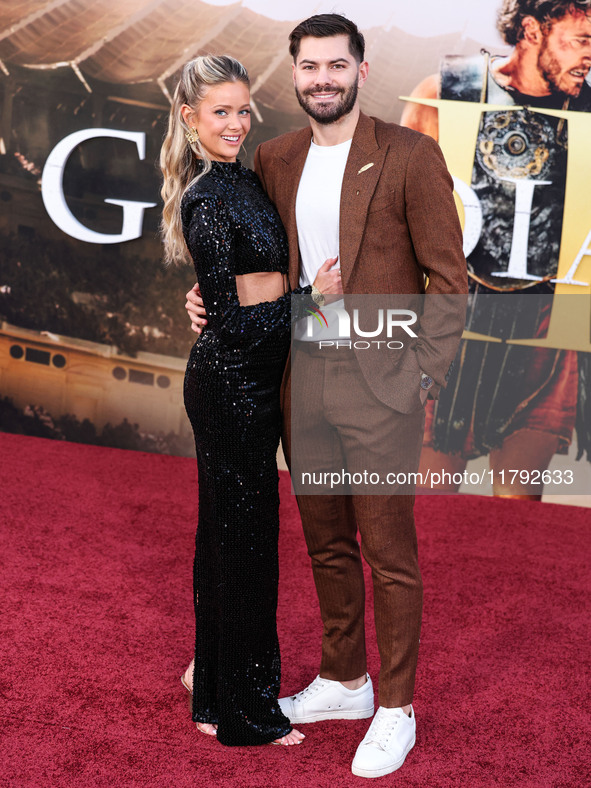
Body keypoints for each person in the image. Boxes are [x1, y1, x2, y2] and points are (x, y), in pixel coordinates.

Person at [186, 15, 468, 777]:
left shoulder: (409, 154)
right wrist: (206, 296)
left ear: (359, 71)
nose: (321, 79)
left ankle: (396, 708)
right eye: (308, 66)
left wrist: (422, 378)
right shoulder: (272, 159)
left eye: (334, 66)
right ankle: (345, 680)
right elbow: (253, 264)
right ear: (294, 73)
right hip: (299, 383)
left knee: (389, 555)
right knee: (326, 544)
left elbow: (450, 282)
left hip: (382, 390)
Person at [160, 54, 342, 747]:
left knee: (228, 542)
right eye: (219, 112)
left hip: (256, 377)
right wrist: (310, 302)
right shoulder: (207, 196)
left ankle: (212, 688)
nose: (235, 123)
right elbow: (233, 322)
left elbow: (237, 293)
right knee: (244, 548)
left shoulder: (251, 180)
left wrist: (271, 298)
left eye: (242, 110)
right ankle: (242, 712)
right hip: (230, 383)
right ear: (189, 118)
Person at [401, 0, 591, 497]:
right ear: (531, 30)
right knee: (430, 505)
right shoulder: (449, 93)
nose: (589, 57)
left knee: (517, 513)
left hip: (547, 326)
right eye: (580, 40)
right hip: (453, 321)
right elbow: (395, 218)